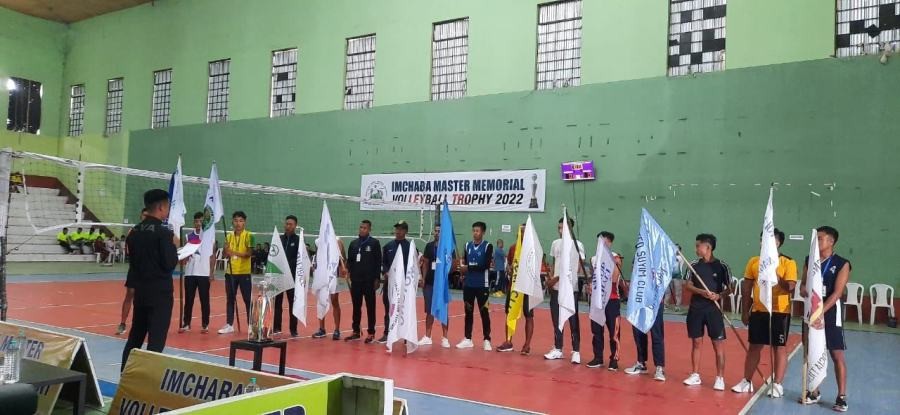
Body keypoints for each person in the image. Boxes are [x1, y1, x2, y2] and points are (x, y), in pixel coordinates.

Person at [731, 228, 797, 397]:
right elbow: (746, 288)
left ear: (778, 243)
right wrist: (745, 311)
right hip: (759, 311)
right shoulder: (754, 261)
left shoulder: (788, 262)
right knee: (754, 346)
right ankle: (746, 381)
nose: (764, 242)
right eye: (762, 239)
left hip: (779, 312)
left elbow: (790, 288)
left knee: (778, 347)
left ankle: (777, 385)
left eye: (769, 239)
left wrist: (775, 275)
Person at [120, 189, 177, 369]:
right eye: (167, 207)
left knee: (135, 338)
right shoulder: (164, 233)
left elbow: (134, 260)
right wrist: (175, 249)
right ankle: (148, 383)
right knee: (156, 342)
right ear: (161, 207)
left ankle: (125, 375)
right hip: (160, 295)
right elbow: (169, 264)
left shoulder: (134, 232)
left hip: (141, 293)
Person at [799, 226, 851, 412]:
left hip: (829, 312)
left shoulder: (842, 263)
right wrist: (804, 289)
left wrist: (821, 312)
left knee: (836, 355)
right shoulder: (809, 260)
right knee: (810, 352)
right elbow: (802, 285)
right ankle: (814, 391)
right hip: (810, 312)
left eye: (820, 238)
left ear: (831, 241)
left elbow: (837, 293)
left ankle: (842, 396)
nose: (816, 242)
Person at [683, 233, 732, 390]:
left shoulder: (722, 266)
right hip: (696, 309)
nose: (696, 248)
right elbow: (687, 284)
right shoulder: (693, 265)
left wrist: (719, 295)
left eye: (698, 246)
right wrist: (701, 292)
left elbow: (731, 287)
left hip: (713, 310)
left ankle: (720, 378)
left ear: (708, 247)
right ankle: (695, 375)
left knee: (718, 344)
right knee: (696, 342)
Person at [544, 217, 585, 364]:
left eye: (563, 228)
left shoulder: (577, 245)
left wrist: (562, 278)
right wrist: (551, 277)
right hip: (555, 288)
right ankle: (558, 348)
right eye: (559, 227)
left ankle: (576, 351)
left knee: (573, 320)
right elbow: (554, 263)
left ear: (570, 228)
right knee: (557, 319)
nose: (560, 230)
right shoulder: (555, 243)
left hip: (570, 288)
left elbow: (578, 265)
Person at [586, 231, 624, 371]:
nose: (601, 245)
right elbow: (592, 279)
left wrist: (610, 263)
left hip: (612, 300)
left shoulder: (615, 258)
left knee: (614, 333)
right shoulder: (593, 259)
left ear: (609, 243)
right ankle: (598, 357)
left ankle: (614, 359)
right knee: (597, 331)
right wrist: (590, 285)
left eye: (604, 242)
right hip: (597, 301)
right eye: (599, 242)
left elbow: (614, 279)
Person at [497, 224, 536, 355]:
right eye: (520, 231)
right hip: (514, 287)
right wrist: (509, 269)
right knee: (510, 314)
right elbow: (509, 265)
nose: (522, 233)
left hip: (528, 288)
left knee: (528, 316)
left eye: (525, 231)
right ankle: (508, 341)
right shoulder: (513, 248)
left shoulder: (533, 249)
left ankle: (527, 344)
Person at [456, 221, 493, 351]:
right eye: (473, 230)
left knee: (484, 312)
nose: (475, 233)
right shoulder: (467, 245)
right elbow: (465, 262)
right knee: (468, 312)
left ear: (483, 232)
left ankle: (487, 339)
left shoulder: (488, 246)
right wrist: (462, 271)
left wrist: (468, 268)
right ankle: (467, 338)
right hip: (469, 285)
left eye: (477, 231)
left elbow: (485, 265)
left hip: (482, 285)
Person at [345, 220, 382, 343]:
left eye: (365, 228)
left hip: (369, 281)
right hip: (356, 281)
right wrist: (347, 270)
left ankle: (371, 332)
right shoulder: (353, 244)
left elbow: (378, 262)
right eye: (361, 227)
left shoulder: (374, 243)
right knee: (356, 307)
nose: (362, 230)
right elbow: (350, 261)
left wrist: (377, 279)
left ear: (369, 229)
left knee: (370, 307)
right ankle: (356, 331)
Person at [179, 212, 216, 334]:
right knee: (189, 299)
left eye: (201, 221)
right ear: (194, 222)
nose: (199, 223)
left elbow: (212, 256)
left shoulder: (209, 238)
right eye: (196, 221)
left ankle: (205, 324)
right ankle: (186, 323)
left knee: (204, 300)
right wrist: (183, 258)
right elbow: (184, 256)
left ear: (204, 223)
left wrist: (211, 272)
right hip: (190, 273)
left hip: (204, 273)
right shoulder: (188, 237)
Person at [219, 211, 255, 335]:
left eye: (240, 220)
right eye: (235, 220)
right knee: (230, 299)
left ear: (245, 222)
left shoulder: (250, 235)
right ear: (232, 222)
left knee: (247, 299)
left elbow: (248, 254)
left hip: (244, 273)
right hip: (230, 273)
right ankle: (229, 324)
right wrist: (225, 250)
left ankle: (251, 326)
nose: (238, 223)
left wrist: (232, 252)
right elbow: (224, 254)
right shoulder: (228, 236)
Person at [418, 224, 453, 348]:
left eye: (439, 231)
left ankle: (445, 338)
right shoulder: (429, 246)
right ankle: (427, 336)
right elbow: (426, 264)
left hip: (442, 284)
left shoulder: (447, 247)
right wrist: (423, 278)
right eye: (436, 231)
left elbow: (451, 266)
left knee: (443, 310)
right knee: (429, 310)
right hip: (430, 283)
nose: (437, 233)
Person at [117, 208, 149, 335]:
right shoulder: (134, 230)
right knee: (129, 294)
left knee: (145, 298)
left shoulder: (154, 232)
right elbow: (128, 249)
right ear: (140, 215)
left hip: (148, 270)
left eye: (148, 215)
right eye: (144, 215)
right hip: (135, 268)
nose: (145, 217)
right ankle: (122, 323)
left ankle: (143, 324)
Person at [381, 221, 412, 343]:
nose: (398, 231)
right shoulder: (388, 246)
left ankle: (405, 334)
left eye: (401, 229)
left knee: (404, 309)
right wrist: (386, 272)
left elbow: (412, 265)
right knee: (389, 308)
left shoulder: (409, 247)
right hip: (390, 284)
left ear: (405, 231)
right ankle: (387, 333)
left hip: (403, 285)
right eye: (397, 229)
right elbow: (384, 263)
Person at [312, 236, 347, 341]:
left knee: (335, 301)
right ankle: (322, 329)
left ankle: (337, 330)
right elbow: (317, 256)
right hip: (321, 276)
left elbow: (342, 257)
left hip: (333, 276)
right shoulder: (318, 241)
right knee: (321, 301)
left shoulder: (337, 240)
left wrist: (343, 268)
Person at [273, 215, 301, 337]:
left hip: (292, 277)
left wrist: (288, 265)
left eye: (290, 224)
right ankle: (276, 327)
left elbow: (299, 259)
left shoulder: (299, 240)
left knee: (292, 304)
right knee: (277, 303)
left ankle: (293, 329)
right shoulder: (279, 239)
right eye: (286, 224)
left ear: (295, 226)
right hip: (279, 276)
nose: (288, 226)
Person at [664, 244, 687, 312]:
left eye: (677, 249)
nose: (675, 250)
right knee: (667, 292)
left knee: (678, 292)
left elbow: (675, 259)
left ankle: (677, 306)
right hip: (668, 277)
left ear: (679, 250)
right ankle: (665, 305)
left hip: (677, 277)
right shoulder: (668, 256)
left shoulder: (680, 257)